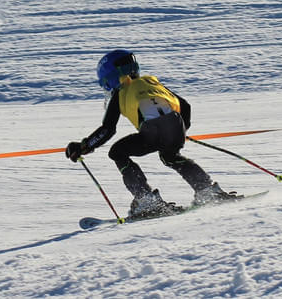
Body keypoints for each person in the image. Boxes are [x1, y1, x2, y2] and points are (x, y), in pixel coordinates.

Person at [66, 49, 237, 219]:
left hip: (152, 131)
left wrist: (84, 146)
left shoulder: (121, 92)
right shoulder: (152, 82)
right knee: (170, 156)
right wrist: (180, 130)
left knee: (117, 152)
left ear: (111, 78)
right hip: (175, 124)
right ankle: (207, 192)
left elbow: (108, 129)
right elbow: (185, 106)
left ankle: (147, 200)